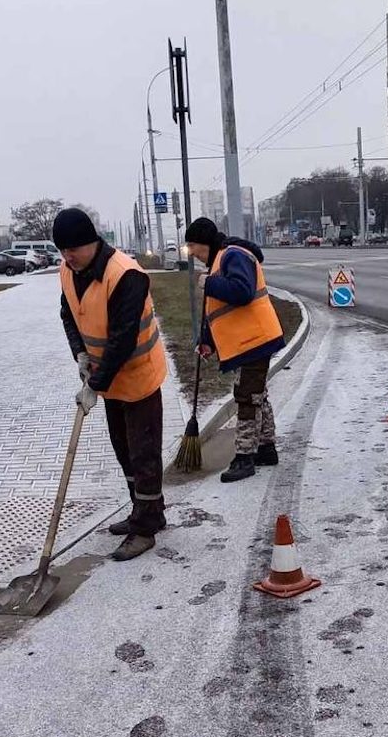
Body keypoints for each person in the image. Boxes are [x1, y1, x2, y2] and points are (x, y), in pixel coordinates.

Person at [56, 207, 167, 561]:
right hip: (108, 379)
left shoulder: (125, 275)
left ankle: (146, 528)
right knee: (123, 450)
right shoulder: (69, 271)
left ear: (92, 243)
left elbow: (121, 338)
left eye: (73, 249)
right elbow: (68, 314)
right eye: (62, 250)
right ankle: (144, 511)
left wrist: (94, 384)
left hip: (138, 375)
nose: (67, 256)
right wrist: (80, 355)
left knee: (142, 452)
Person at [183, 217, 285, 483]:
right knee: (257, 394)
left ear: (204, 242)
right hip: (246, 342)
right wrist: (207, 340)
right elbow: (220, 311)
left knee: (246, 396)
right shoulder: (218, 262)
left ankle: (244, 457)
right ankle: (265, 448)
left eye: (193, 245)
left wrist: (209, 284)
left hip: (256, 339)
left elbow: (242, 292)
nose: (191, 252)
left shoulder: (233, 256)